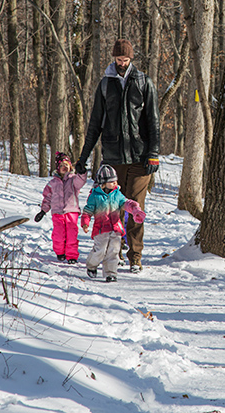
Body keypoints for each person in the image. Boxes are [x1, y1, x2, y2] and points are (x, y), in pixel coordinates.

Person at [75, 39, 160, 273]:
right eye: (118, 59)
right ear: (113, 58)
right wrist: (83, 157)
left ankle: (136, 256)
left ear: (131, 59)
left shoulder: (143, 82)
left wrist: (153, 153)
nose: (122, 63)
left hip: (140, 156)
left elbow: (153, 120)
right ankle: (116, 252)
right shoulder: (105, 84)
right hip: (112, 157)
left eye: (125, 60)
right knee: (114, 209)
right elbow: (94, 125)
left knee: (135, 206)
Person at [35, 151, 87, 264]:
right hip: (57, 212)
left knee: (72, 235)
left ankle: (72, 256)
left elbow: (81, 182)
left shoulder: (73, 180)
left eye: (66, 165)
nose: (64, 167)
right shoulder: (52, 183)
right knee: (58, 235)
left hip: (71, 212)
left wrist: (82, 172)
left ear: (70, 167)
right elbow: (47, 198)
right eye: (61, 166)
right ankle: (60, 252)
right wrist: (43, 211)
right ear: (58, 168)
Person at [81, 164, 127, 282]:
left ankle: (110, 274)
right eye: (112, 182)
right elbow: (88, 210)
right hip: (101, 229)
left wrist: (134, 208)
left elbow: (125, 203)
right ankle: (91, 266)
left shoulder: (117, 194)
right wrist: (85, 222)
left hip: (115, 228)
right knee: (100, 251)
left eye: (116, 181)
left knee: (114, 251)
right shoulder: (95, 196)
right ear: (103, 183)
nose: (115, 184)